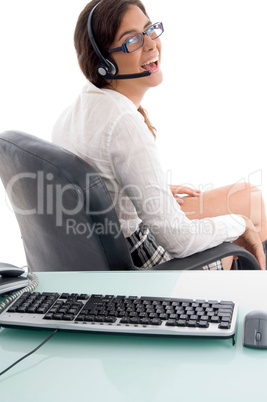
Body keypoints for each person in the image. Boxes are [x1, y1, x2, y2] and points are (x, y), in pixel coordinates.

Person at [52, 0, 267, 270]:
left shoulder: (81, 107)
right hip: (147, 259)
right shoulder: (123, 123)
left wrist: (149, 188)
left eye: (149, 30)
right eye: (132, 40)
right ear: (104, 63)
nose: (151, 44)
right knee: (251, 214)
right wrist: (239, 224)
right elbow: (179, 241)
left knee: (250, 197)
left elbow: (100, 187)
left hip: (120, 238)